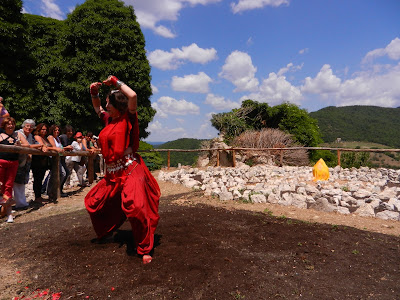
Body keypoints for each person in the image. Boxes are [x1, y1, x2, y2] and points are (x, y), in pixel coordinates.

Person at [85, 75, 160, 264]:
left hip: (130, 169)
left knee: (135, 207)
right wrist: (94, 92)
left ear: (116, 104)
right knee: (94, 202)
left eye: (108, 102)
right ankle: (107, 232)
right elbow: (97, 107)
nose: (106, 106)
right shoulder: (108, 120)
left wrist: (115, 81)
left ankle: (144, 248)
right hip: (112, 173)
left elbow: (132, 96)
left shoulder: (129, 117)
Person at [0, 117, 27, 222]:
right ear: (4, 126)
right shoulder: (1, 135)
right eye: (8, 124)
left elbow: (27, 145)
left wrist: (20, 145)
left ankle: (9, 213)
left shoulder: (18, 135)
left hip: (13, 163)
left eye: (12, 124)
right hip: (1, 162)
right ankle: (4, 210)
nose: (10, 126)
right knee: (1, 185)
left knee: (8, 186)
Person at [13, 119, 42, 209]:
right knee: (17, 182)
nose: (29, 128)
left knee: (22, 182)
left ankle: (21, 202)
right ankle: (20, 203)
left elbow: (32, 144)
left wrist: (41, 146)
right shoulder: (18, 133)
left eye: (31, 127)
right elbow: (25, 145)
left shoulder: (30, 136)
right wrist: (39, 145)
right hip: (17, 161)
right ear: (23, 126)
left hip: (25, 162)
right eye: (27, 126)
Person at [31, 123, 58, 204]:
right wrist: (53, 148)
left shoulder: (45, 138)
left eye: (46, 129)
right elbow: (42, 145)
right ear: (39, 129)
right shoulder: (37, 137)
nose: (44, 131)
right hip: (37, 161)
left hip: (44, 161)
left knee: (41, 178)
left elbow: (47, 147)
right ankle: (37, 197)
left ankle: (40, 196)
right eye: (42, 129)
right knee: (37, 179)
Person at [47, 124, 73, 197]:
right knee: (62, 173)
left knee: (66, 173)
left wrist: (66, 148)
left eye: (58, 130)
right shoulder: (50, 137)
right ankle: (52, 190)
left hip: (60, 158)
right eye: (55, 130)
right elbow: (55, 148)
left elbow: (60, 148)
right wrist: (65, 148)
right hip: (54, 159)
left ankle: (58, 189)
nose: (57, 131)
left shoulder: (58, 138)